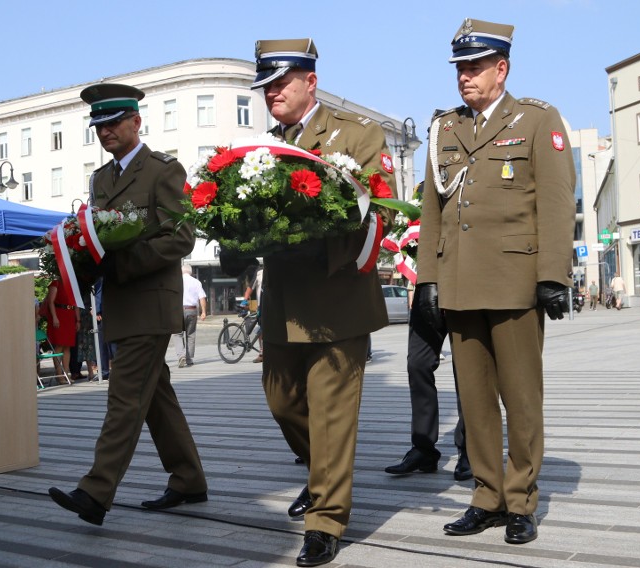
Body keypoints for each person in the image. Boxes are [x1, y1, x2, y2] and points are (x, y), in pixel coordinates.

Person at [416, 19, 575, 545]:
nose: (465, 76)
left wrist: (553, 275)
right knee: (476, 401)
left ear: (501, 68)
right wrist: (428, 282)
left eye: (475, 66)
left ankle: (521, 500)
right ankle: (487, 496)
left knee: (521, 398)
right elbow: (433, 210)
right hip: (460, 286)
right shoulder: (446, 128)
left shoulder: (535, 119)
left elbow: (555, 203)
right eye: (460, 67)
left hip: (514, 283)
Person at [237, 38, 396, 566]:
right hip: (284, 301)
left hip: (337, 298)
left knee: (330, 413)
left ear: (311, 81)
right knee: (281, 402)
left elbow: (383, 208)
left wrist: (324, 219)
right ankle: (321, 470)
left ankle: (325, 522)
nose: (272, 94)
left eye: (281, 83)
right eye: (266, 87)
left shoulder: (357, 133)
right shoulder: (263, 146)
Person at [49, 82, 206, 525]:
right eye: (98, 125)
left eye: (114, 122)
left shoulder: (163, 170)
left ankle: (96, 492)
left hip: (151, 303)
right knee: (155, 398)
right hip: (120, 305)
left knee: (124, 398)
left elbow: (181, 235)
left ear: (137, 121)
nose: (106, 131)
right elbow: (100, 239)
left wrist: (121, 265)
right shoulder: (101, 178)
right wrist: (78, 259)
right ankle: (189, 479)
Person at [384, 289, 472, 482]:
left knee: (467, 371)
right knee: (417, 364)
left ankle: (469, 449)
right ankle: (423, 449)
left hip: (462, 285)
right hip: (427, 286)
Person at [43, 278, 79, 385]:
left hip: (69, 315)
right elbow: (50, 302)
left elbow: (76, 303)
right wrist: (54, 317)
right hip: (59, 314)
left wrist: (78, 320)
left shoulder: (72, 284)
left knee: (67, 346)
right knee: (59, 346)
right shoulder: (56, 283)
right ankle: (59, 376)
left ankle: (66, 374)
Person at [174, 264, 207, 368]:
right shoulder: (197, 282)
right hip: (192, 310)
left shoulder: (176, 281)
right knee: (191, 334)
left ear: (181, 272)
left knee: (177, 333)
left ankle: (181, 356)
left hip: (178, 309)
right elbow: (202, 297)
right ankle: (189, 359)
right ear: (191, 272)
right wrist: (203, 312)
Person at [242, 264, 264, 363]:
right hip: (262, 306)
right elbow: (251, 287)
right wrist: (244, 300)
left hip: (273, 306)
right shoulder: (260, 271)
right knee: (260, 330)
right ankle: (262, 353)